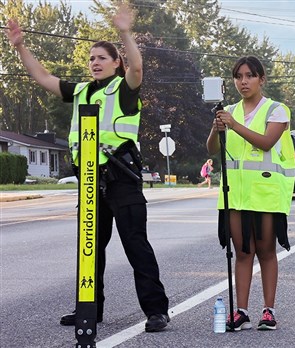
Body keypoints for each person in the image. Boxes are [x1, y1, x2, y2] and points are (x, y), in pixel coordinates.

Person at [4, 4, 170, 332]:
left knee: (136, 245)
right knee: (89, 249)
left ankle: (156, 311)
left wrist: (124, 32)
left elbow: (137, 67)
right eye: (91, 58)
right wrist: (20, 46)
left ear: (115, 63)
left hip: (122, 180)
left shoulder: (123, 89)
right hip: (91, 181)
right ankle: (89, 310)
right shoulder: (80, 92)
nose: (94, 62)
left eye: (101, 58)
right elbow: (42, 77)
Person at [207, 56, 295, 331]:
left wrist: (233, 124)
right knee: (242, 252)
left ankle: (268, 311)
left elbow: (268, 143)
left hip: (266, 194)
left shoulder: (276, 110)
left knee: (266, 251)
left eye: (249, 76)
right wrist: (216, 128)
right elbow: (211, 149)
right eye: (238, 76)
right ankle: (241, 311)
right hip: (235, 194)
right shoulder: (229, 111)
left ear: (261, 79)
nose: (243, 81)